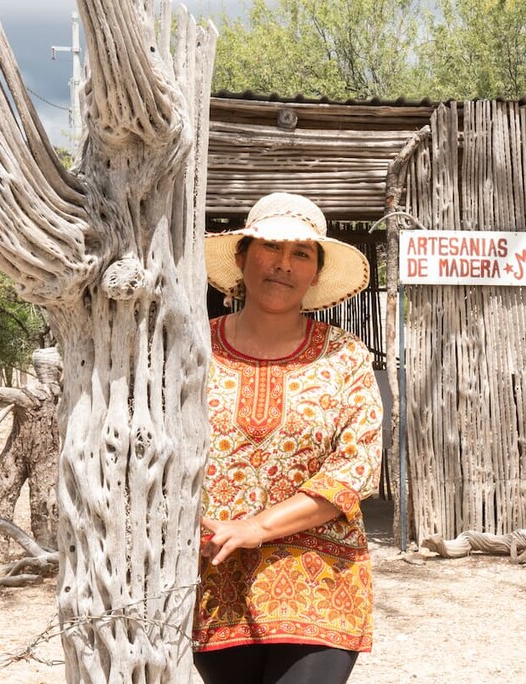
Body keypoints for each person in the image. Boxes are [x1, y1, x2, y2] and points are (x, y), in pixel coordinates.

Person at [193, 192, 383, 684]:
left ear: (316, 272)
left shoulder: (344, 358)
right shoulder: (191, 350)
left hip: (321, 576)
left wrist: (256, 526)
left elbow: (354, 469)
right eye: (270, 249)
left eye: (301, 253)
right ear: (241, 258)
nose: (283, 265)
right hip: (215, 579)